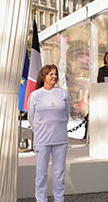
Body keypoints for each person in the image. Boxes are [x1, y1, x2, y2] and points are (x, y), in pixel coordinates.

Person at [28, 64, 69, 202]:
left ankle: (59, 199)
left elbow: (66, 115)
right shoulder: (35, 95)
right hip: (42, 141)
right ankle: (41, 199)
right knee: (41, 173)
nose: (54, 76)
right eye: (51, 74)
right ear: (43, 76)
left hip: (60, 140)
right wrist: (41, 131)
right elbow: (31, 118)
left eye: (55, 74)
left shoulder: (63, 93)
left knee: (59, 174)